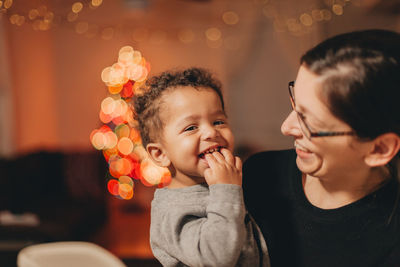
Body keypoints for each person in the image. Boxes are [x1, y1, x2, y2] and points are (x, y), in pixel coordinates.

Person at [243, 29, 400, 267]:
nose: (286, 127)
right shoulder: (260, 174)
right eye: (295, 102)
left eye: (310, 121)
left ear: (378, 149)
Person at [133, 67, 270, 267]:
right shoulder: (172, 210)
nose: (211, 133)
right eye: (191, 127)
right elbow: (216, 258)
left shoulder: (223, 183)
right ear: (160, 154)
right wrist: (226, 189)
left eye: (218, 121)